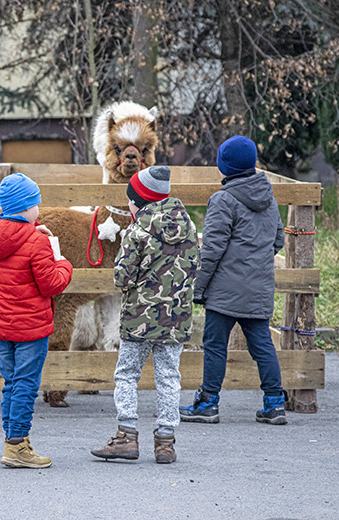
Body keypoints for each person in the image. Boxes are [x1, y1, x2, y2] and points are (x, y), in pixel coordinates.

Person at [90, 166, 199, 464]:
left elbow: (122, 277)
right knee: (169, 377)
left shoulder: (136, 231)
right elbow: (195, 267)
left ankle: (126, 436)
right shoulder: (188, 226)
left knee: (127, 373)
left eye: (130, 199)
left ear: (138, 201)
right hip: (176, 318)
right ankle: (166, 442)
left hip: (139, 319)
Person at [179, 135, 288, 425]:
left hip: (224, 291)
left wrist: (199, 288)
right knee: (263, 346)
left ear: (224, 167)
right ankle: (275, 404)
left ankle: (208, 403)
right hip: (258, 288)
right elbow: (278, 239)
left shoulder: (223, 199)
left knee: (215, 345)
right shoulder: (268, 198)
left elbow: (212, 250)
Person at [0, 173, 73, 469]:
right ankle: (18, 445)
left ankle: (12, 440)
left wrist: (33, 232)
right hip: (30, 327)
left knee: (11, 382)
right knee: (26, 384)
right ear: (26, 207)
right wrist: (62, 262)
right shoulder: (37, 242)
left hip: (2, 324)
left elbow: (16, 243)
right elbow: (52, 285)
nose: (39, 209)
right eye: (36, 204)